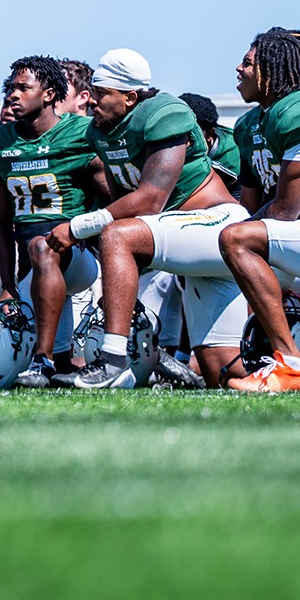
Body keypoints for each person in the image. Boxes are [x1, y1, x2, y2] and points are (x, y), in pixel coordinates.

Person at [47, 49, 247, 388]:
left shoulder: (165, 112)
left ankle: (112, 364)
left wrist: (77, 227)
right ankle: (164, 362)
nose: (92, 100)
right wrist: (117, 287)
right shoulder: (100, 132)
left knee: (117, 234)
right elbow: (121, 204)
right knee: (223, 375)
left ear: (130, 97)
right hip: (184, 238)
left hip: (217, 224)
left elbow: (151, 200)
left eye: (101, 92)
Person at [219, 30, 300, 391]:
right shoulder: (248, 125)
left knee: (238, 241)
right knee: (241, 246)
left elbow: (286, 210)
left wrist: (233, 240)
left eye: (248, 62)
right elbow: (251, 208)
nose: (238, 68)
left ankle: (290, 365)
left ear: (274, 70)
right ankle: (275, 361)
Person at [0, 57, 105, 387]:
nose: (13, 94)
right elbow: (0, 220)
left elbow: (114, 198)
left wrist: (84, 229)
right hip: (31, 266)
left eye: (24, 88)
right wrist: (7, 284)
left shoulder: (80, 133)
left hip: (77, 257)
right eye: (11, 87)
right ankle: (59, 362)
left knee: (43, 246)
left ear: (49, 94)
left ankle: (43, 360)